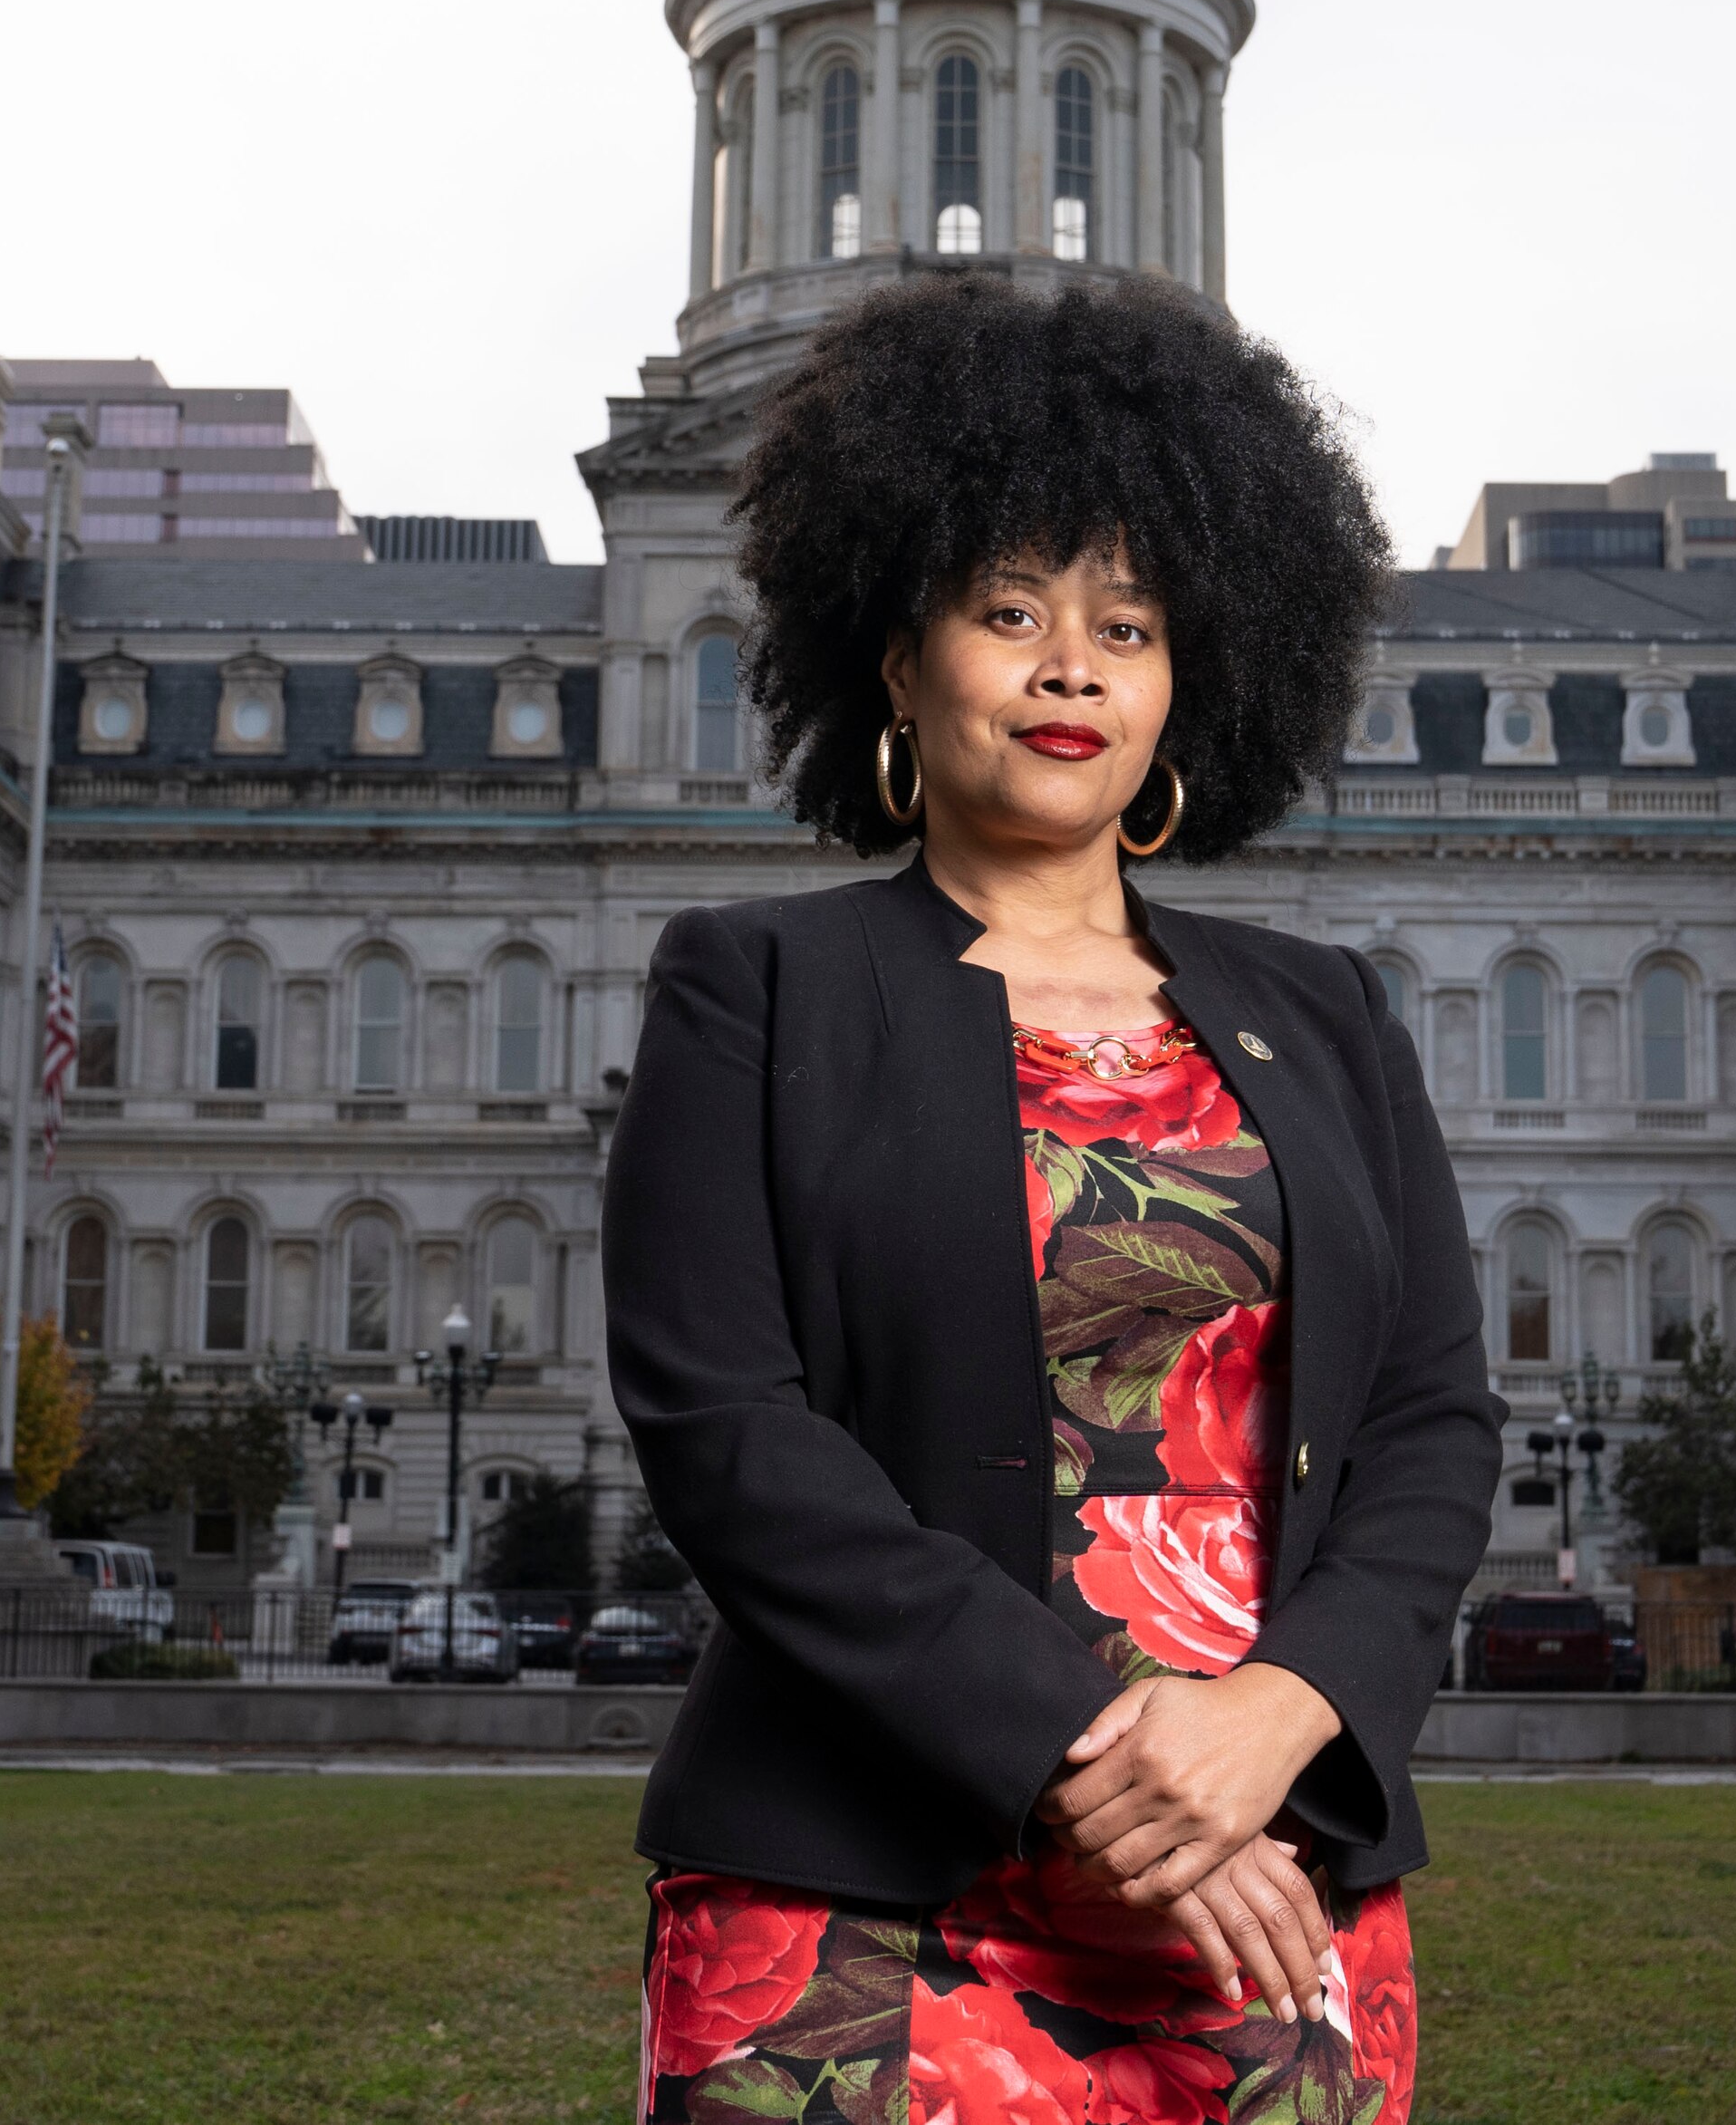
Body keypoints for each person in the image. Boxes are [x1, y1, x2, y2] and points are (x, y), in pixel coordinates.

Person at [611, 274, 1499, 2121]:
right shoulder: (754, 985)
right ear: (895, 649)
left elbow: (1428, 1416)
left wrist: (1280, 1715)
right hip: (857, 1885)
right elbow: (728, 1429)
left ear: (1190, 677)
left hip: (1267, 1861)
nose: (1068, 664)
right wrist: (1095, 1756)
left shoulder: (1318, 1010)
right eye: (1007, 609)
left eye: (1126, 621)